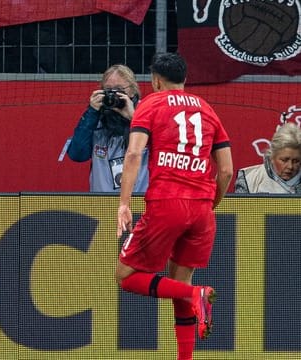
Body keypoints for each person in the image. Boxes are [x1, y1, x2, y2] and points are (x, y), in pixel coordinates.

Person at [115, 53, 233, 360]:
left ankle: (198, 295)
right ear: (185, 80)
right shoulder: (207, 110)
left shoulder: (151, 104)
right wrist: (210, 203)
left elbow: (133, 153)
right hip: (202, 209)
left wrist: (124, 203)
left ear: (155, 80)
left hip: (167, 202)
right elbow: (227, 170)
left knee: (125, 275)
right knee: (179, 281)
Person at [66, 64, 149, 192]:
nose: (113, 95)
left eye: (119, 90)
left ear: (132, 91)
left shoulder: (147, 112)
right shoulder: (96, 117)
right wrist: (92, 112)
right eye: (108, 90)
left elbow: (165, 147)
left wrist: (134, 118)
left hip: (140, 203)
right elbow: (77, 154)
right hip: (103, 205)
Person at [235, 122, 301, 194]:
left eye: (296, 161)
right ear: (272, 157)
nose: (290, 166)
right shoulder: (248, 179)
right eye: (284, 160)